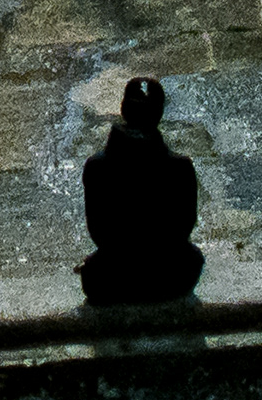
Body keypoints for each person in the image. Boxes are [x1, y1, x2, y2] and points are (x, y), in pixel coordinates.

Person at [79, 76, 201, 305]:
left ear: (123, 109)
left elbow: (99, 233)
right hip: (169, 275)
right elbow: (183, 227)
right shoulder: (180, 167)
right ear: (159, 114)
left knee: (95, 270)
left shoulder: (97, 166)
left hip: (115, 278)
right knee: (192, 259)